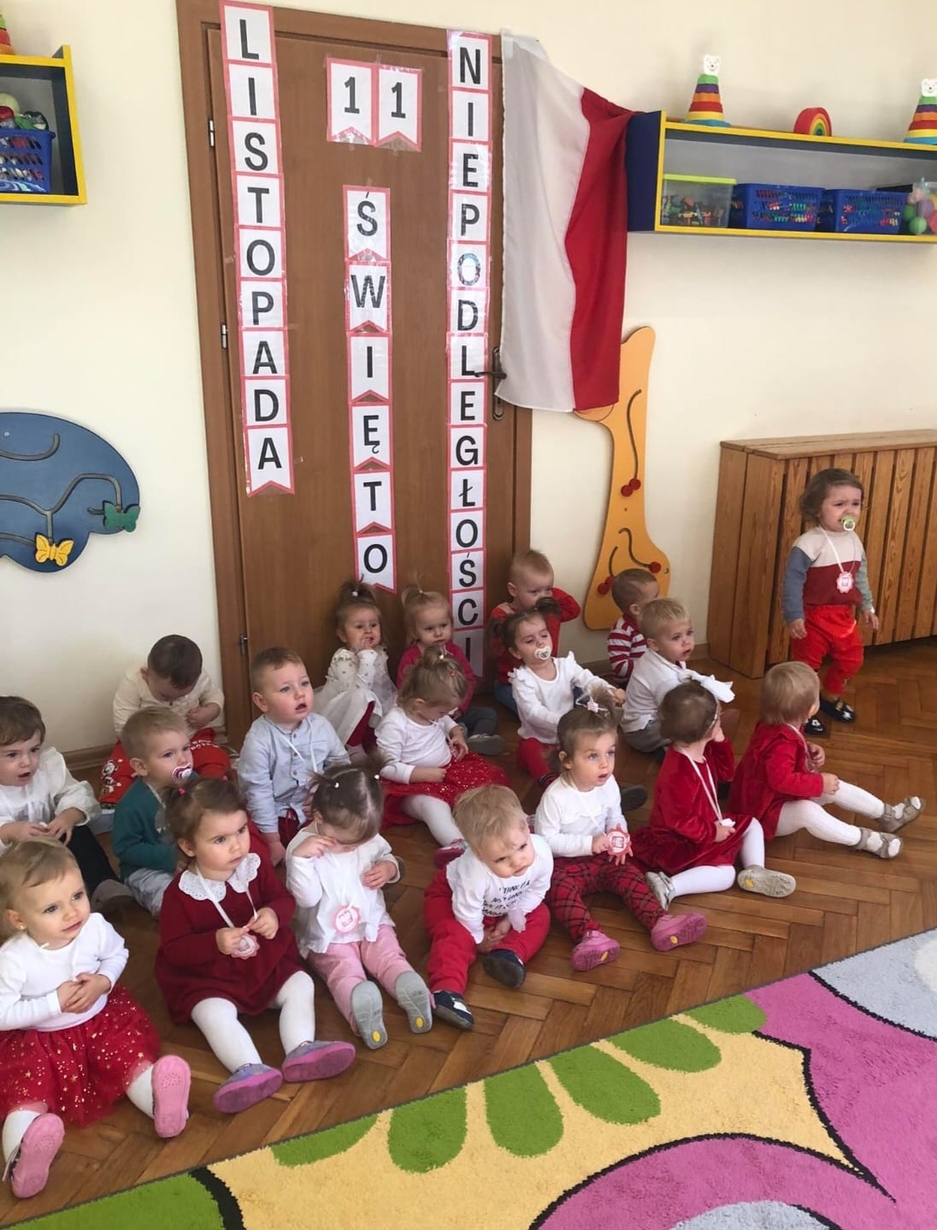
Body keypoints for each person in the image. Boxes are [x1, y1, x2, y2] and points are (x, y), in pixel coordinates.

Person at [0, 839, 190, 1198]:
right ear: (19, 919)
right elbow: (3, 1013)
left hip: (101, 1023)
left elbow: (118, 954)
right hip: (38, 1043)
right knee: (26, 1095)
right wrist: (51, 1003)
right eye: (52, 908)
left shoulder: (95, 926)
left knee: (128, 1061)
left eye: (77, 895)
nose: (72, 912)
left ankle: (161, 1103)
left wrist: (104, 981)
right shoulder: (13, 959)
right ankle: (23, 1156)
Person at [155, 776, 354, 1114]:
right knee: (212, 1012)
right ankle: (248, 1068)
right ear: (188, 847)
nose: (237, 846)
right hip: (209, 977)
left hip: (263, 964)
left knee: (301, 983)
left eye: (241, 831)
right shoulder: (180, 895)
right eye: (220, 839)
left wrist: (273, 914)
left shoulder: (253, 867)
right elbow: (175, 949)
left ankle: (301, 1048)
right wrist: (214, 942)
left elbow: (283, 899)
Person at [534, 706, 706, 969]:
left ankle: (660, 922)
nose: (605, 763)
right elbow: (545, 842)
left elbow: (615, 814)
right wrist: (588, 844)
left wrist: (619, 833)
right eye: (593, 756)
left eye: (610, 752)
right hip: (565, 865)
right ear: (566, 760)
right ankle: (590, 936)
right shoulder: (555, 798)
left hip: (603, 857)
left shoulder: (609, 783)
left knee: (631, 874)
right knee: (556, 889)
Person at [285, 762, 432, 1049]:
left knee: (389, 955)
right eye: (344, 843)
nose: (352, 848)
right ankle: (359, 1001)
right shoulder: (302, 849)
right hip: (327, 935)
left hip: (371, 922)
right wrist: (301, 861)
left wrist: (388, 868)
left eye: (360, 842)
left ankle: (408, 983)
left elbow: (386, 854)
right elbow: (306, 898)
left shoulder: (365, 835)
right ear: (318, 817)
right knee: (343, 970)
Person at [730, 662, 924, 860]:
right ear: (811, 709)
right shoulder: (782, 744)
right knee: (808, 811)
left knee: (834, 786)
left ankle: (888, 815)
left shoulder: (778, 723)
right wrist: (819, 783)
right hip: (763, 813)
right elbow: (780, 779)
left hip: (774, 799)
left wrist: (806, 749)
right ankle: (865, 840)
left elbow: (780, 758)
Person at [631, 682, 797, 908]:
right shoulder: (678, 774)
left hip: (706, 822)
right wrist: (712, 832)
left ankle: (755, 870)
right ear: (708, 728)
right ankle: (669, 886)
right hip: (679, 839)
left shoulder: (700, 748)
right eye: (718, 715)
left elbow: (726, 773)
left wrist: (720, 743)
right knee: (726, 875)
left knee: (752, 824)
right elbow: (677, 820)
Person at [424, 785, 553, 1030]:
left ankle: (508, 955)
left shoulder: (542, 853)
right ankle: (446, 991)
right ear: (479, 854)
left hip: (503, 904)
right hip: (451, 900)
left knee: (541, 914)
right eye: (501, 859)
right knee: (453, 934)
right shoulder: (474, 872)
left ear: (527, 829)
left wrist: (510, 920)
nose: (517, 861)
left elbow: (537, 890)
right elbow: (466, 911)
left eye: (522, 847)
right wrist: (478, 938)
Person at [0, 696, 132, 916]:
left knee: (77, 830)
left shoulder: (47, 768)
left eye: (34, 750)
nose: (27, 762)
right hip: (10, 857)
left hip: (50, 842)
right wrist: (9, 831)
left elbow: (75, 792)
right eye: (12, 755)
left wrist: (67, 816)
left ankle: (102, 885)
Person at [376, 649, 509, 865]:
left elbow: (446, 721)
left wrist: (456, 733)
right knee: (434, 808)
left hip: (447, 771)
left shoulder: (430, 711)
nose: (444, 716)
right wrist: (420, 774)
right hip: (410, 787)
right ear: (419, 704)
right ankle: (457, 844)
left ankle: (512, 821)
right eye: (441, 712)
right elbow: (385, 765)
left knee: (482, 788)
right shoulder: (395, 724)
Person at [503, 609, 643, 806]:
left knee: (592, 750)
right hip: (541, 741)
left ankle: (608, 790)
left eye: (544, 635)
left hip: (569, 738)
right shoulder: (522, 680)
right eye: (529, 641)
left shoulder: (565, 665)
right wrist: (565, 722)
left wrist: (610, 690)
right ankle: (557, 791)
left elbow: (588, 679)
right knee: (530, 748)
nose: (540, 643)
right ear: (516, 652)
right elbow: (534, 713)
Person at [783, 468, 877, 735]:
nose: (849, 511)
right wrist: (794, 615)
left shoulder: (854, 541)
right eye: (839, 504)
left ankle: (829, 696)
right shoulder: (808, 544)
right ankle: (804, 711)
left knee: (852, 659)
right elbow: (792, 582)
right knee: (807, 668)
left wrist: (867, 606)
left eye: (855, 504)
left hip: (843, 615)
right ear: (817, 509)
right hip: (812, 616)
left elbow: (860, 576)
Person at [238, 647, 350, 865]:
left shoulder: (321, 727)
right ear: (262, 702)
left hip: (317, 807)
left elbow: (341, 765)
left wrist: (323, 792)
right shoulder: (258, 740)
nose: (300, 694)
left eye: (304, 683)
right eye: (286, 689)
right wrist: (272, 841)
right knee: (249, 847)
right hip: (277, 815)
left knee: (353, 817)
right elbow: (258, 791)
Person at [100, 635, 231, 806]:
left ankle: (212, 798)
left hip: (189, 740)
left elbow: (214, 695)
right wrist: (145, 746)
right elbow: (122, 724)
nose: (172, 700)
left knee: (215, 757)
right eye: (164, 695)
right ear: (146, 675)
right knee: (118, 767)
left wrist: (209, 711)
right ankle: (112, 805)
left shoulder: (199, 677)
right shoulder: (133, 680)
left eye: (182, 695)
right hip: (145, 744)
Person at [396, 587, 504, 755]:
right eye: (429, 629)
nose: (438, 633)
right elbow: (405, 690)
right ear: (414, 631)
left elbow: (468, 679)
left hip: (455, 709)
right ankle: (453, 737)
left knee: (488, 714)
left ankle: (476, 738)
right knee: (429, 730)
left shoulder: (455, 652)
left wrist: (460, 707)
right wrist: (428, 712)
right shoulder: (411, 657)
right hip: (430, 715)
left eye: (443, 625)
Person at [620, 599, 734, 756]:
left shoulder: (665, 656)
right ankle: (682, 750)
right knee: (689, 722)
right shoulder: (662, 678)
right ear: (654, 644)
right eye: (676, 637)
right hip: (643, 732)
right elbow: (676, 712)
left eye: (689, 633)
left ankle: (706, 729)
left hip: (649, 719)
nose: (686, 641)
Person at [487, 549, 581, 718]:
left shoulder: (549, 611)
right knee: (529, 709)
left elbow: (574, 609)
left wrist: (549, 594)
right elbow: (497, 651)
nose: (542, 597)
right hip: (512, 682)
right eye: (534, 592)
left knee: (579, 691)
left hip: (549, 678)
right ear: (513, 590)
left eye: (548, 589)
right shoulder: (503, 615)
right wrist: (511, 623)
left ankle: (587, 714)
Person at [315, 581, 397, 756]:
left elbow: (383, 689)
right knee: (364, 696)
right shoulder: (343, 657)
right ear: (343, 635)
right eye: (359, 627)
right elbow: (357, 695)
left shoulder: (379, 653)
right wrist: (366, 657)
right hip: (341, 717)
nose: (368, 631)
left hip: (367, 716)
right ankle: (352, 747)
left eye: (373, 625)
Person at [607, 568, 660, 686]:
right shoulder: (621, 631)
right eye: (655, 598)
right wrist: (652, 665)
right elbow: (620, 668)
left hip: (654, 675)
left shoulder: (653, 621)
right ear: (636, 609)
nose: (660, 600)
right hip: (631, 683)